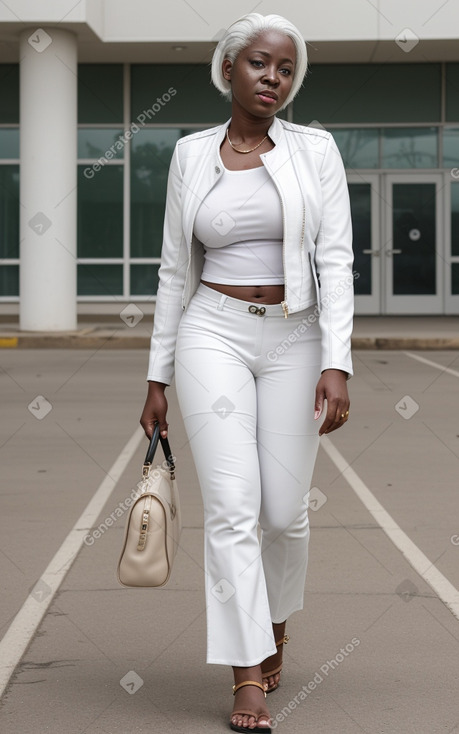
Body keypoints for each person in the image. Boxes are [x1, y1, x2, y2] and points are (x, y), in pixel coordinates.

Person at [140, 12, 353, 733]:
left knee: (283, 514)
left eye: (286, 68)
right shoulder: (190, 154)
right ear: (229, 67)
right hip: (212, 333)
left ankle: (274, 622)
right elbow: (175, 269)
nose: (274, 78)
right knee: (232, 507)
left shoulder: (315, 152)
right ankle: (247, 674)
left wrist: (335, 360)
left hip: (296, 337)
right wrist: (157, 376)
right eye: (260, 63)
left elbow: (335, 260)